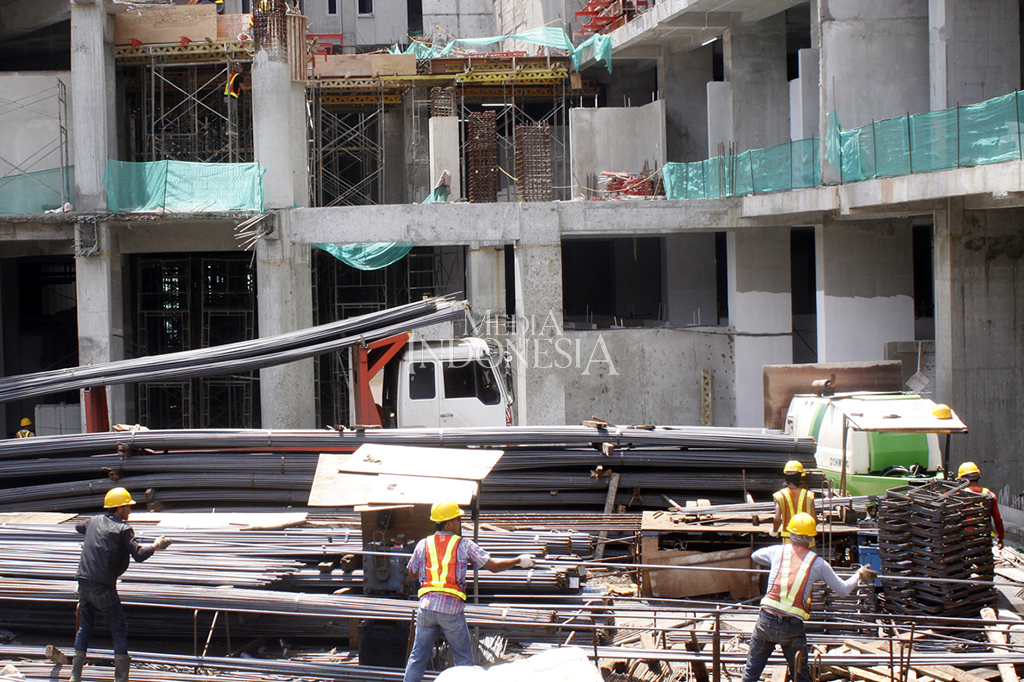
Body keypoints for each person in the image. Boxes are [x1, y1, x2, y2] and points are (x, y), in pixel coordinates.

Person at [403, 499, 535, 682]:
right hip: (450, 609)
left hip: (426, 607)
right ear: (449, 522)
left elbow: (412, 574)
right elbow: (493, 566)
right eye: (457, 519)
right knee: (464, 661)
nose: (460, 522)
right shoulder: (464, 544)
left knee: (417, 659)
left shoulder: (423, 544)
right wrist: (518, 560)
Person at [741, 513, 876, 682]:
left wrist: (776, 564)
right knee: (800, 676)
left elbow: (755, 556)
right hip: (792, 626)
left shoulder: (777, 551)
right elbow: (843, 590)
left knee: (750, 674)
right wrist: (859, 574)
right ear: (811, 538)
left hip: (766, 620)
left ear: (790, 534)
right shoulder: (818, 563)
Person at [71, 488, 172, 682]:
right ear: (118, 508)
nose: (130, 510)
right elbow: (139, 555)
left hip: (83, 582)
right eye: (128, 506)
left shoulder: (93, 522)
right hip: (103, 586)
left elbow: (78, 527)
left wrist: (93, 536)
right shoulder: (123, 530)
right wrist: (156, 545)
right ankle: (121, 679)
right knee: (118, 629)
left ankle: (75, 677)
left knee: (85, 627)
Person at [958, 461, 1005, 548]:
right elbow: (998, 519)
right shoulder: (989, 494)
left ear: (962, 479)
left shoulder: (960, 495)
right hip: (985, 536)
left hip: (967, 537)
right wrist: (1001, 537)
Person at [771, 460, 816, 541]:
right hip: (807, 539)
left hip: (789, 539)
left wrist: (774, 531)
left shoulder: (779, 495)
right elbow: (814, 518)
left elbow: (777, 519)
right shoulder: (808, 495)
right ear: (800, 477)